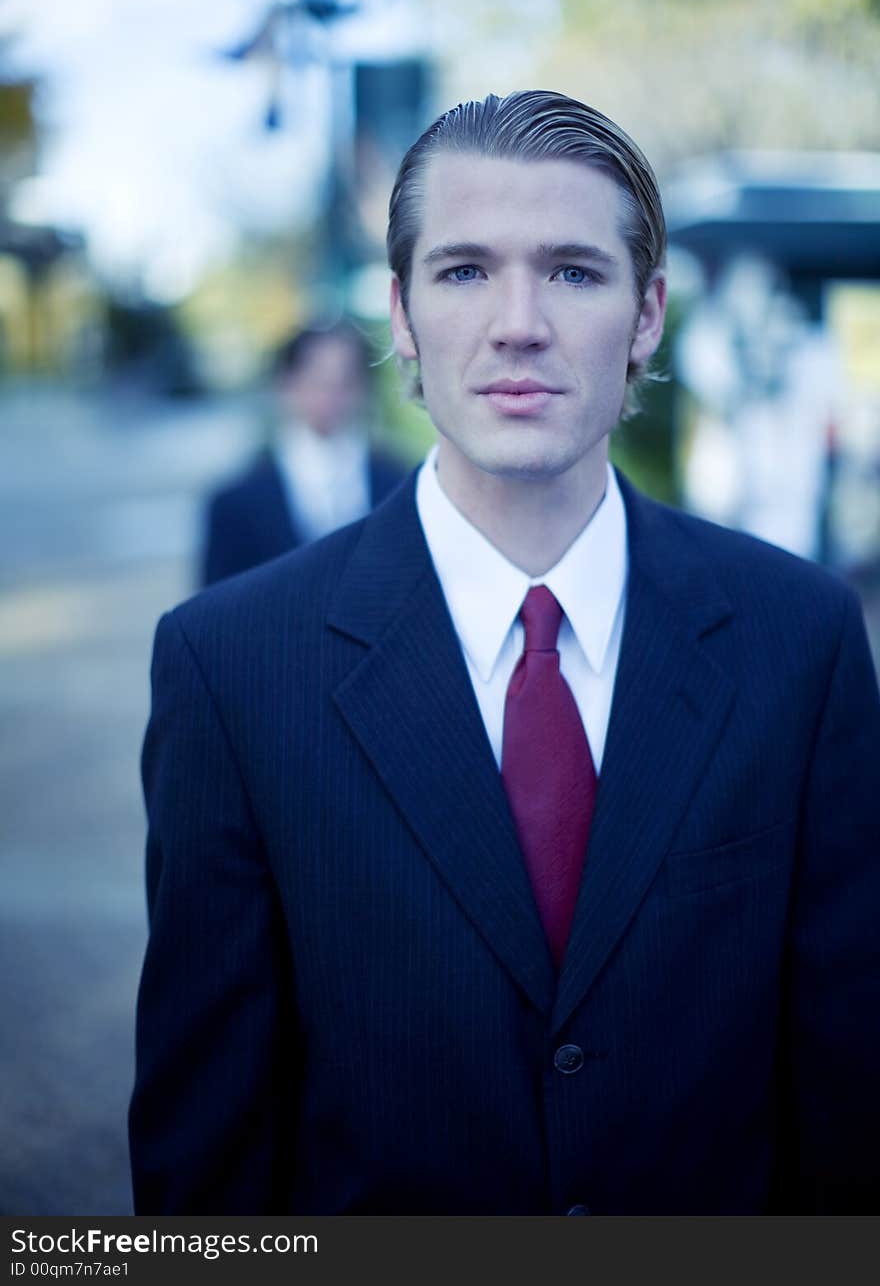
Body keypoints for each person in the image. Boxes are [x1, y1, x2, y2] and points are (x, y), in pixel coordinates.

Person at [130, 90, 880, 1214]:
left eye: (575, 272)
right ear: (399, 311)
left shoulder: (801, 638)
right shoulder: (231, 664)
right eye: (465, 270)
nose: (518, 321)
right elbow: (207, 1154)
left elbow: (847, 1096)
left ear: (647, 314)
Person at [199, 320, 407, 585]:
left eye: (346, 380)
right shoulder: (236, 502)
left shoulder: (399, 481)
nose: (332, 394)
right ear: (287, 384)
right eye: (318, 378)